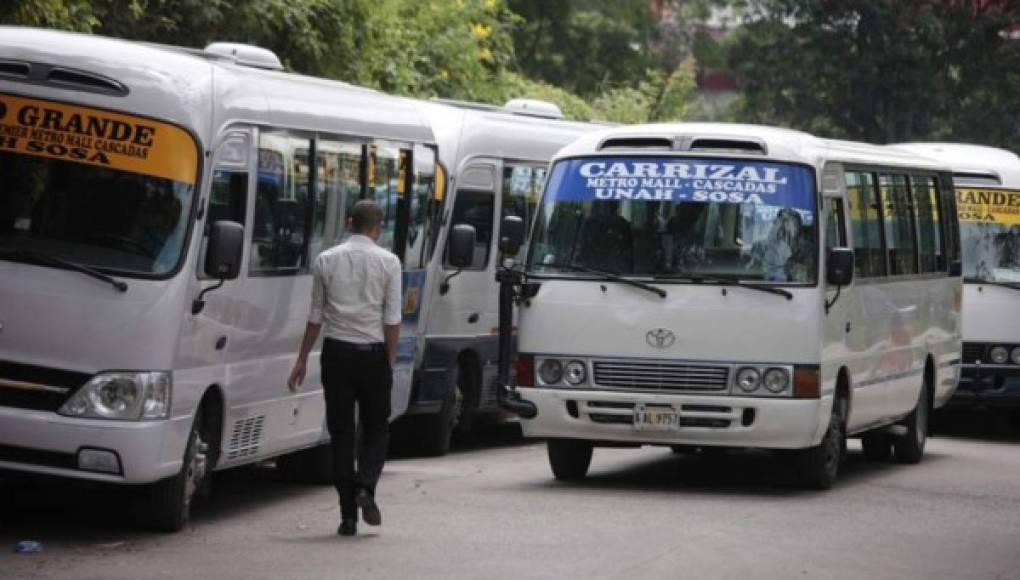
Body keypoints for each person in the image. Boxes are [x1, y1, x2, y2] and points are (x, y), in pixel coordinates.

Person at [287, 200, 402, 537]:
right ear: (377, 227)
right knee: (377, 428)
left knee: (341, 434)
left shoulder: (326, 260)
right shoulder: (389, 263)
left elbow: (315, 317)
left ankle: (347, 516)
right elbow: (392, 320)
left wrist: (302, 358)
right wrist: (388, 361)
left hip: (335, 354)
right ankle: (366, 485)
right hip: (372, 354)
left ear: (350, 222)